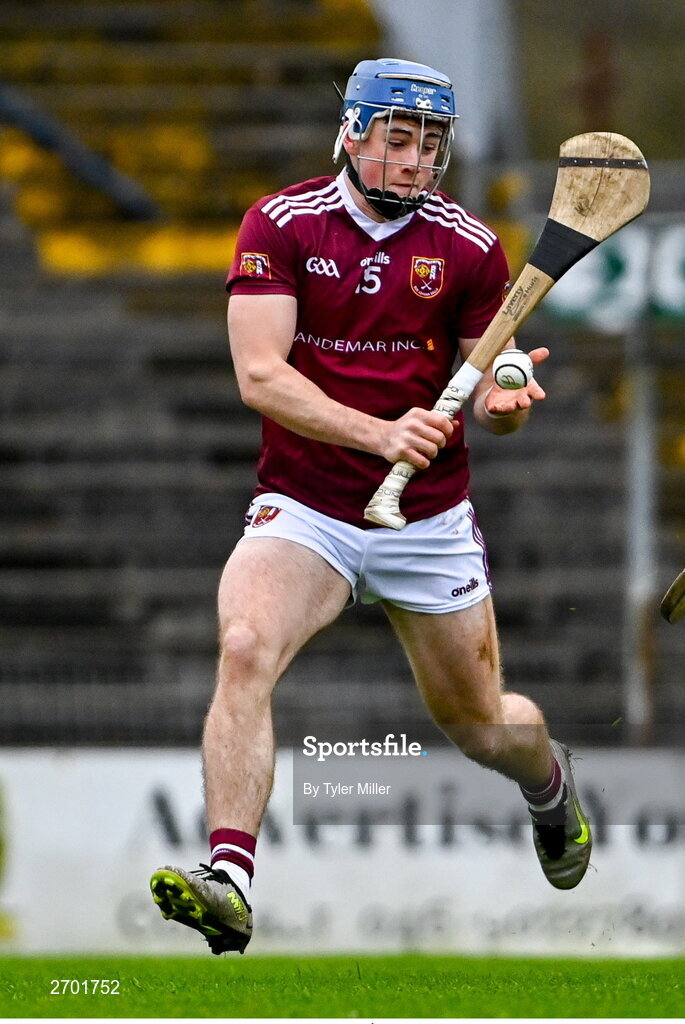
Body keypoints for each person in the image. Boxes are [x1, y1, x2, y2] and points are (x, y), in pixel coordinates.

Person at [150, 57, 592, 955]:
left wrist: (502, 403)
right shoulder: (279, 226)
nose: (415, 162)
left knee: (480, 729)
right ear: (351, 134)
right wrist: (378, 434)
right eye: (398, 139)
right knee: (243, 647)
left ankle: (548, 786)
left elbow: (491, 371)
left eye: (431, 145)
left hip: (427, 519)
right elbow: (260, 377)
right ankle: (229, 877)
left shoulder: (469, 246)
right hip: (307, 505)